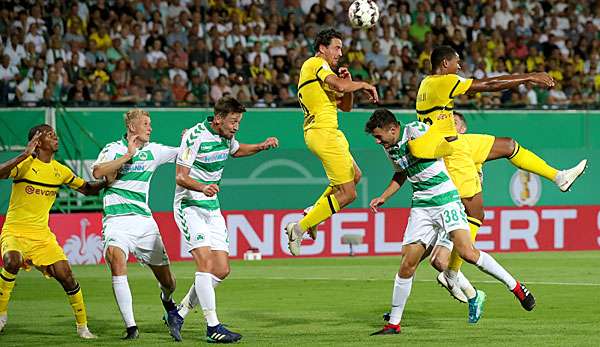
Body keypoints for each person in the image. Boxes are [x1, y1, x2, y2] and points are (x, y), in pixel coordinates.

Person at [409, 45, 584, 307]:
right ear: (445, 64)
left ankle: (558, 177)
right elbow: (489, 84)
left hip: (456, 142)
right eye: (456, 62)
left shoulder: (426, 83)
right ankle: (451, 274)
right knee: (476, 214)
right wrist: (527, 77)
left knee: (508, 145)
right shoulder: (444, 81)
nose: (459, 67)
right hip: (452, 152)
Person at [365, 109, 533, 335]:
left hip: (446, 200)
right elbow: (401, 173)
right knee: (407, 263)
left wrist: (427, 142)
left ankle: (516, 287)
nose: (377, 141)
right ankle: (394, 323)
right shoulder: (390, 148)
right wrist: (385, 196)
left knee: (467, 253)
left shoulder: (417, 130)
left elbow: (447, 144)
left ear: (393, 129)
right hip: (421, 207)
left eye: (379, 136)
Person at [434, 112, 587, 302]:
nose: (449, 124)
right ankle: (558, 177)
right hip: (440, 205)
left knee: (442, 256)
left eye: (454, 122)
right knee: (508, 146)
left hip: (446, 207)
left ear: (463, 129)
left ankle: (454, 279)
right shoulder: (457, 145)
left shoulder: (465, 149)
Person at [172, 96, 278, 343]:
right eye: (233, 121)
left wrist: (261, 146)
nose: (236, 127)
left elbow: (237, 150)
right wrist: (202, 187)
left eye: (239, 121)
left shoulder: (225, 137)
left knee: (221, 269)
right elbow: (180, 176)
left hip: (211, 207)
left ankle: (179, 313)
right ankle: (213, 327)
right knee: (205, 263)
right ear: (218, 119)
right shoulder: (194, 136)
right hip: (189, 205)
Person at [0, 124, 108, 338]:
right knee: (11, 261)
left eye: (55, 134)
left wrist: (108, 181)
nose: (55, 137)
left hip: (42, 236)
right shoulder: (25, 165)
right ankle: (1, 315)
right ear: (37, 142)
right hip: (15, 231)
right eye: (50, 135)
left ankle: (83, 327)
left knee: (66, 275)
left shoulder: (60, 171)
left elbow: (86, 189)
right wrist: (23, 155)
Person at [284, 28, 379, 256]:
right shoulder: (314, 64)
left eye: (341, 48)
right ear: (322, 49)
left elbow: (345, 105)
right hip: (322, 132)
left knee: (355, 177)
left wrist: (348, 83)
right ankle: (299, 228)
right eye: (336, 47)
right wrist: (363, 84)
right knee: (348, 193)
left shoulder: (323, 74)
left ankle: (313, 215)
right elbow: (340, 86)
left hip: (330, 131)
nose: (340, 52)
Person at [91, 109, 182, 340]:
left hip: (144, 223)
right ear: (132, 127)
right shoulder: (114, 148)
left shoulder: (155, 151)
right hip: (116, 222)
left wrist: (189, 140)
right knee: (116, 260)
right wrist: (127, 156)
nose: (150, 128)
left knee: (168, 281)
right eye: (146, 123)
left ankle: (167, 300)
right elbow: (97, 171)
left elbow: (184, 154)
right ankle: (131, 327)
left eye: (150, 124)